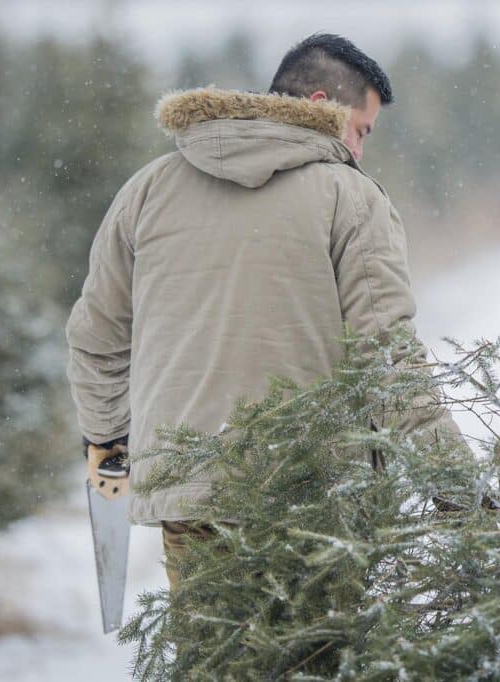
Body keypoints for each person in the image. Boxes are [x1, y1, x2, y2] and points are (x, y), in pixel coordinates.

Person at [66, 33, 465, 587]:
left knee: (213, 667)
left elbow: (95, 338)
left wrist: (108, 443)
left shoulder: (147, 190)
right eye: (362, 129)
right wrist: (457, 484)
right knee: (314, 666)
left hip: (191, 498)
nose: (360, 149)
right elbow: (387, 354)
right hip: (313, 499)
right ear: (323, 106)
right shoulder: (348, 196)